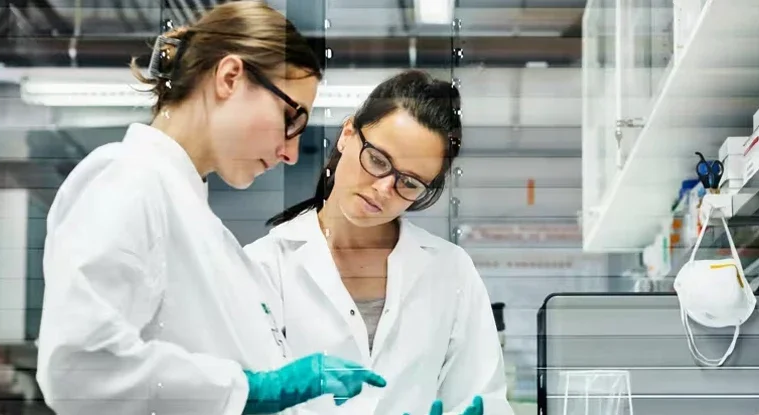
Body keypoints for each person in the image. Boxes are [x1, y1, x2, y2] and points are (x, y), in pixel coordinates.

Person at [35, 2, 386, 414]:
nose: (290, 153)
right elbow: (79, 367)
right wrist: (257, 390)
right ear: (230, 77)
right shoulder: (129, 178)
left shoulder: (202, 226)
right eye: (290, 119)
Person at [243, 70, 512, 415]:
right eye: (377, 160)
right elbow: (236, 398)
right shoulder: (265, 266)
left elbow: (482, 398)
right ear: (347, 134)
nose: (384, 189)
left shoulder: (450, 270)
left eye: (409, 183)